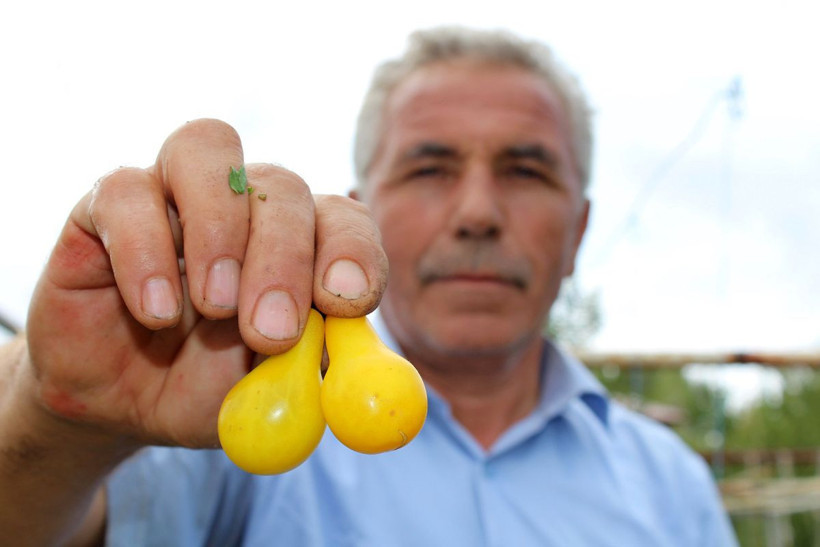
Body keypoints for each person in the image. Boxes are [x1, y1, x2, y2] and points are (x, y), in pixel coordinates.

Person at [0, 26, 737, 545]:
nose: (477, 213)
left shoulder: (674, 487)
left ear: (578, 231)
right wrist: (58, 425)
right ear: (361, 211)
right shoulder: (209, 418)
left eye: (524, 170)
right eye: (430, 167)